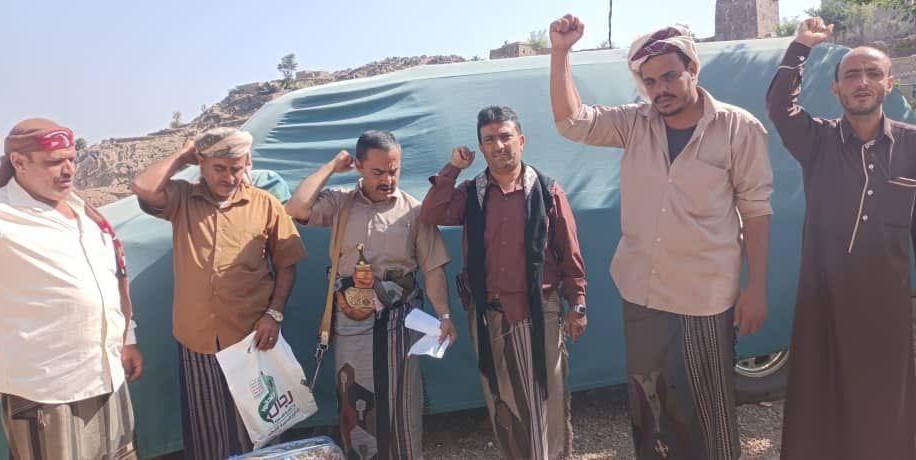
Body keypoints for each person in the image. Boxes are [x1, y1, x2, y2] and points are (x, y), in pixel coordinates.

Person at [550, 14, 774, 459]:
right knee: (651, 407)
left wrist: (757, 289)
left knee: (707, 409)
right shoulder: (635, 123)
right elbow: (572, 121)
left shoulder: (738, 127)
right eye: (650, 81)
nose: (660, 90)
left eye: (670, 76)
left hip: (705, 297)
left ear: (693, 69)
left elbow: (756, 209)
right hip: (644, 293)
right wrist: (560, 52)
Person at [766, 17, 916, 459]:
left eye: (872, 73)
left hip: (885, 299)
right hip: (822, 296)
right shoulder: (817, 141)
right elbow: (779, 108)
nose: (862, 82)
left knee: (884, 402)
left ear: (889, 83)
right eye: (851, 75)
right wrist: (802, 45)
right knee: (818, 400)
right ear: (836, 89)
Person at [0, 119, 143, 459]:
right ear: (19, 162)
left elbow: (107, 281)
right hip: (47, 390)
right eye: (55, 162)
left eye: (71, 159)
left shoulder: (83, 211)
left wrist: (126, 337)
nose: (68, 170)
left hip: (107, 375)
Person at [421, 106, 588, 459]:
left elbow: (569, 255)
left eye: (505, 136)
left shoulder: (547, 191)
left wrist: (577, 305)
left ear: (521, 141)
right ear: (481, 148)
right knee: (502, 396)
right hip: (490, 313)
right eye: (489, 140)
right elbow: (432, 213)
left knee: (548, 393)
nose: (498, 146)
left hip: (540, 310)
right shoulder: (472, 193)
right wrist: (453, 168)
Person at [131, 127, 307, 459]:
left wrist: (274, 314)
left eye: (236, 168)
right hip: (196, 340)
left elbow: (287, 265)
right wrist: (183, 155)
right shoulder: (183, 199)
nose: (229, 177)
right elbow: (143, 187)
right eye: (219, 168)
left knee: (260, 430)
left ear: (246, 164)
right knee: (207, 434)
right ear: (202, 164)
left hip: (250, 339)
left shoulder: (265, 205)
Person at [286, 130, 455, 459]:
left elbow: (433, 267)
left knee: (402, 401)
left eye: (394, 171)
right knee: (355, 395)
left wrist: (444, 315)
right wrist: (331, 167)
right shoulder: (340, 203)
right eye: (378, 172)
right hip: (353, 317)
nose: (388, 180)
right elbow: (297, 207)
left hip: (401, 319)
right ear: (359, 166)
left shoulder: (415, 211)